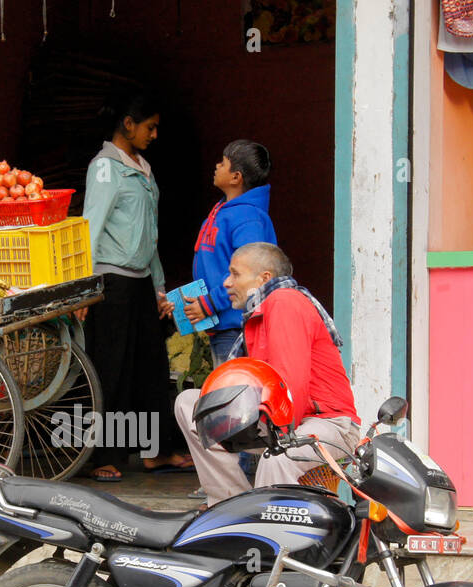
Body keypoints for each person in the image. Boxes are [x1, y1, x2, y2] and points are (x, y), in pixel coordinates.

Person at [174, 242, 361, 504]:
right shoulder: (259, 311)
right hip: (281, 417)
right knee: (191, 405)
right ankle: (232, 508)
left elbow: (289, 383)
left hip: (327, 423)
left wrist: (281, 441)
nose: (226, 282)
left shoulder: (284, 301)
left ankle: (264, 530)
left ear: (264, 278)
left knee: (279, 457)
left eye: (235, 274)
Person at [78, 91, 192, 482]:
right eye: (150, 126)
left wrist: (159, 288)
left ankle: (155, 452)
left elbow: (151, 237)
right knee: (111, 370)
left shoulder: (142, 168)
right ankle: (102, 456)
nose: (154, 134)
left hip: (142, 283)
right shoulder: (106, 168)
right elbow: (90, 227)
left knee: (150, 368)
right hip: (111, 284)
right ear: (127, 123)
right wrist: (84, 286)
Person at [184, 140, 277, 366]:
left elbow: (248, 275)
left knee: (234, 395)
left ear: (236, 177)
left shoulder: (248, 218)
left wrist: (210, 304)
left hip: (238, 328)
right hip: (224, 324)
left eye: (222, 163)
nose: (216, 166)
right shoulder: (224, 210)